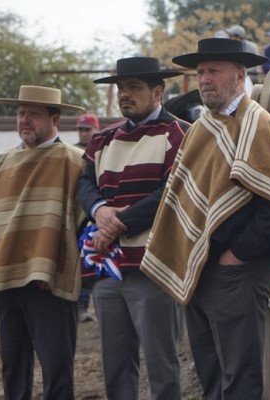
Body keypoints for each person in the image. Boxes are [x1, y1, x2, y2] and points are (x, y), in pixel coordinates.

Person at [140, 38, 270, 399]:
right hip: (200, 270)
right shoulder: (204, 128)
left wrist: (236, 256)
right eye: (201, 72)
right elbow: (183, 195)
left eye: (213, 71)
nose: (204, 79)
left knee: (240, 377)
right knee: (211, 374)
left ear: (239, 75)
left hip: (236, 272)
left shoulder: (258, 124)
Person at [0, 85, 87, 400]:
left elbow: (85, 222)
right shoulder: (3, 162)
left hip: (51, 284)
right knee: (12, 368)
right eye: (20, 113)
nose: (24, 120)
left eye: (33, 113)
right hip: (5, 278)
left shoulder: (75, 161)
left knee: (57, 369)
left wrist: (55, 262)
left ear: (54, 118)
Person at [76, 56, 188, 400]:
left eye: (134, 87)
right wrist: (100, 209)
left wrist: (116, 223)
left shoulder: (179, 134)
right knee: (116, 364)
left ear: (158, 91)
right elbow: (84, 183)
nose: (125, 94)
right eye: (121, 88)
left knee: (161, 363)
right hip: (108, 271)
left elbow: (171, 192)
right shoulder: (102, 139)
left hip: (153, 267)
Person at [74, 112, 100, 322]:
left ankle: (88, 305)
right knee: (78, 261)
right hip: (77, 215)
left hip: (96, 214)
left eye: (87, 129)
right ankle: (79, 306)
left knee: (94, 260)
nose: (83, 133)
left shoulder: (102, 151)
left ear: (95, 130)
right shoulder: (72, 152)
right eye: (81, 129)